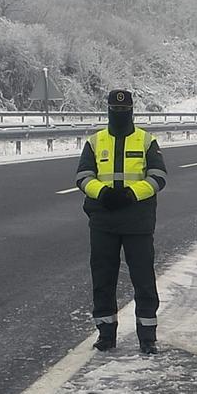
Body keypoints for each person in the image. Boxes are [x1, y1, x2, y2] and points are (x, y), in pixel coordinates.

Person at [75, 89, 168, 354]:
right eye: (115, 110)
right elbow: (83, 176)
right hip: (103, 220)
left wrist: (131, 194)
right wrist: (102, 192)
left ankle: (147, 337)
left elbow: (158, 176)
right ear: (107, 110)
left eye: (123, 110)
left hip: (137, 222)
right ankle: (106, 334)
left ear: (131, 110)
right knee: (103, 278)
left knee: (143, 279)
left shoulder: (146, 140)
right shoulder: (95, 142)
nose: (119, 114)